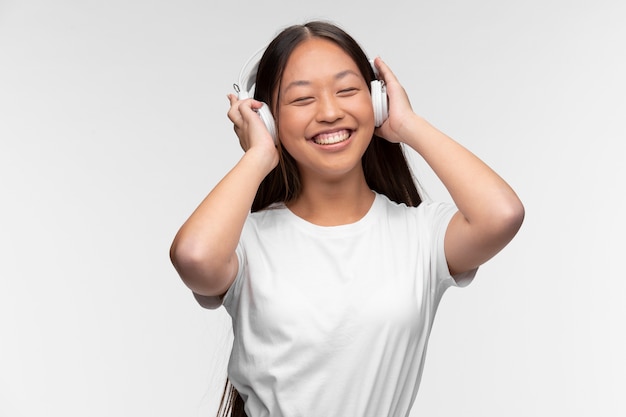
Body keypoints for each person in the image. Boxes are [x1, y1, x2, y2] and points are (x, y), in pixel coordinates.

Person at [169, 20, 524, 417]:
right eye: (302, 99)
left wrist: (407, 125)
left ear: (376, 101)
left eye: (348, 90)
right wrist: (258, 155)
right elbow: (194, 257)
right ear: (268, 119)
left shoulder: (420, 235)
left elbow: (502, 214)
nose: (330, 112)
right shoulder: (244, 243)